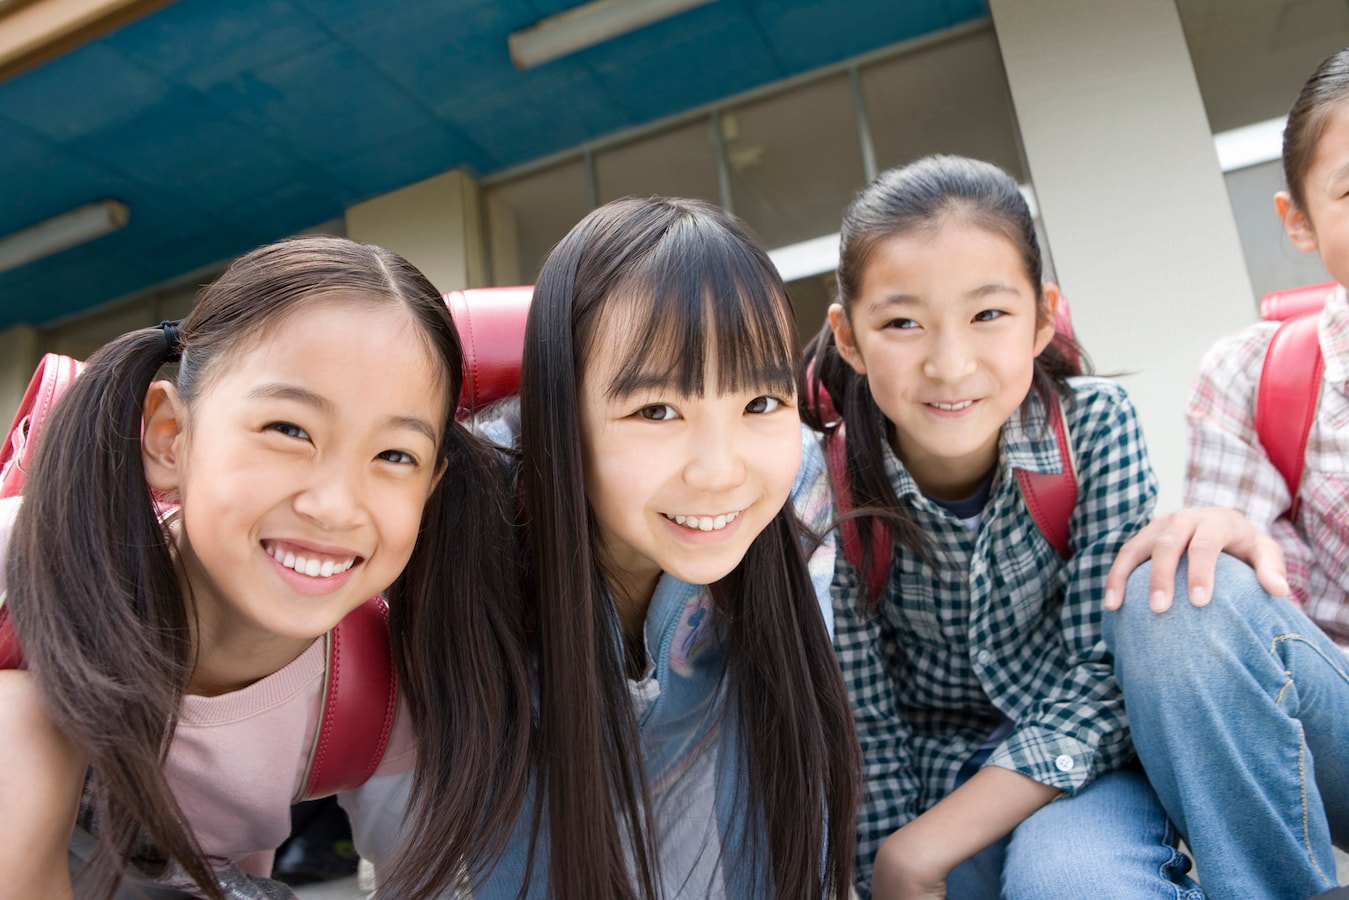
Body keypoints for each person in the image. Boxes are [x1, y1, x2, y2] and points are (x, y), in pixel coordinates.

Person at [356, 196, 861, 899]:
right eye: (657, 410)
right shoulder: (457, 531)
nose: (720, 470)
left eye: (758, 403)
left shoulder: (799, 494)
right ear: (559, 412)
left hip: (692, 792)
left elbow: (792, 779)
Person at [0, 236, 532, 900]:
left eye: (395, 456)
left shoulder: (376, 698)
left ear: (429, 486)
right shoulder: (25, 558)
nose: (335, 507)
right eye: (288, 430)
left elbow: (430, 882)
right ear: (171, 437)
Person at [803, 154, 1207, 900]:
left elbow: (1107, 674)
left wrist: (928, 845)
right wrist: (887, 862)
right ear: (849, 338)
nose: (950, 365)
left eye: (987, 314)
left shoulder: (1091, 430)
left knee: (1076, 887)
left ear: (1042, 316)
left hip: (1081, 771)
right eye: (901, 323)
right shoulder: (825, 484)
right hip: (921, 781)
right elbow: (862, 720)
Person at [1103, 47, 1349, 900]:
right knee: (1175, 587)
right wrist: (1225, 537)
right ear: (1299, 220)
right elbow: (1235, 617)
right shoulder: (1259, 376)